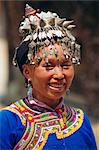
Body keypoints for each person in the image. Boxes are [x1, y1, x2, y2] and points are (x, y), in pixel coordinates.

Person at [0, 4, 97, 150]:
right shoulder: (8, 121)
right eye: (48, 66)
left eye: (65, 65)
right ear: (27, 72)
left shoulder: (81, 120)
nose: (59, 75)